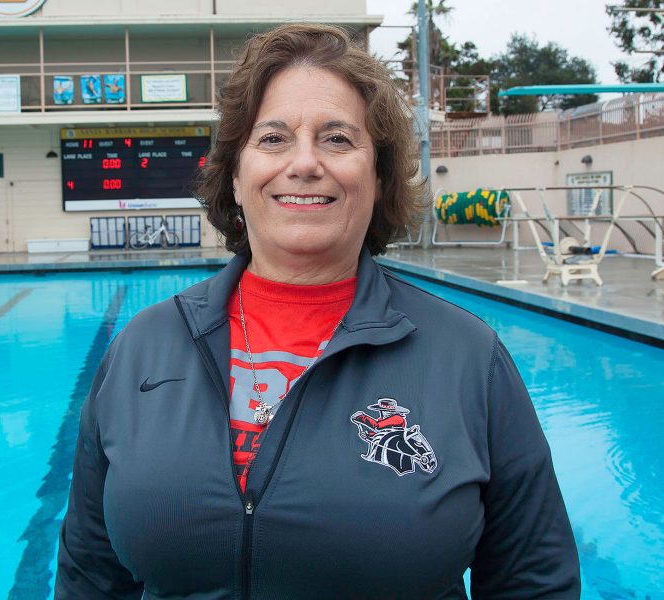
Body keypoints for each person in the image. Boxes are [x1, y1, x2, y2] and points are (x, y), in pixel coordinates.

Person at [56, 23, 580, 599]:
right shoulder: (144, 347)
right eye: (274, 138)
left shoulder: (466, 356)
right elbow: (89, 573)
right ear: (234, 174)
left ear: (378, 177)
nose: (304, 163)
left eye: (337, 139)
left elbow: (534, 578)